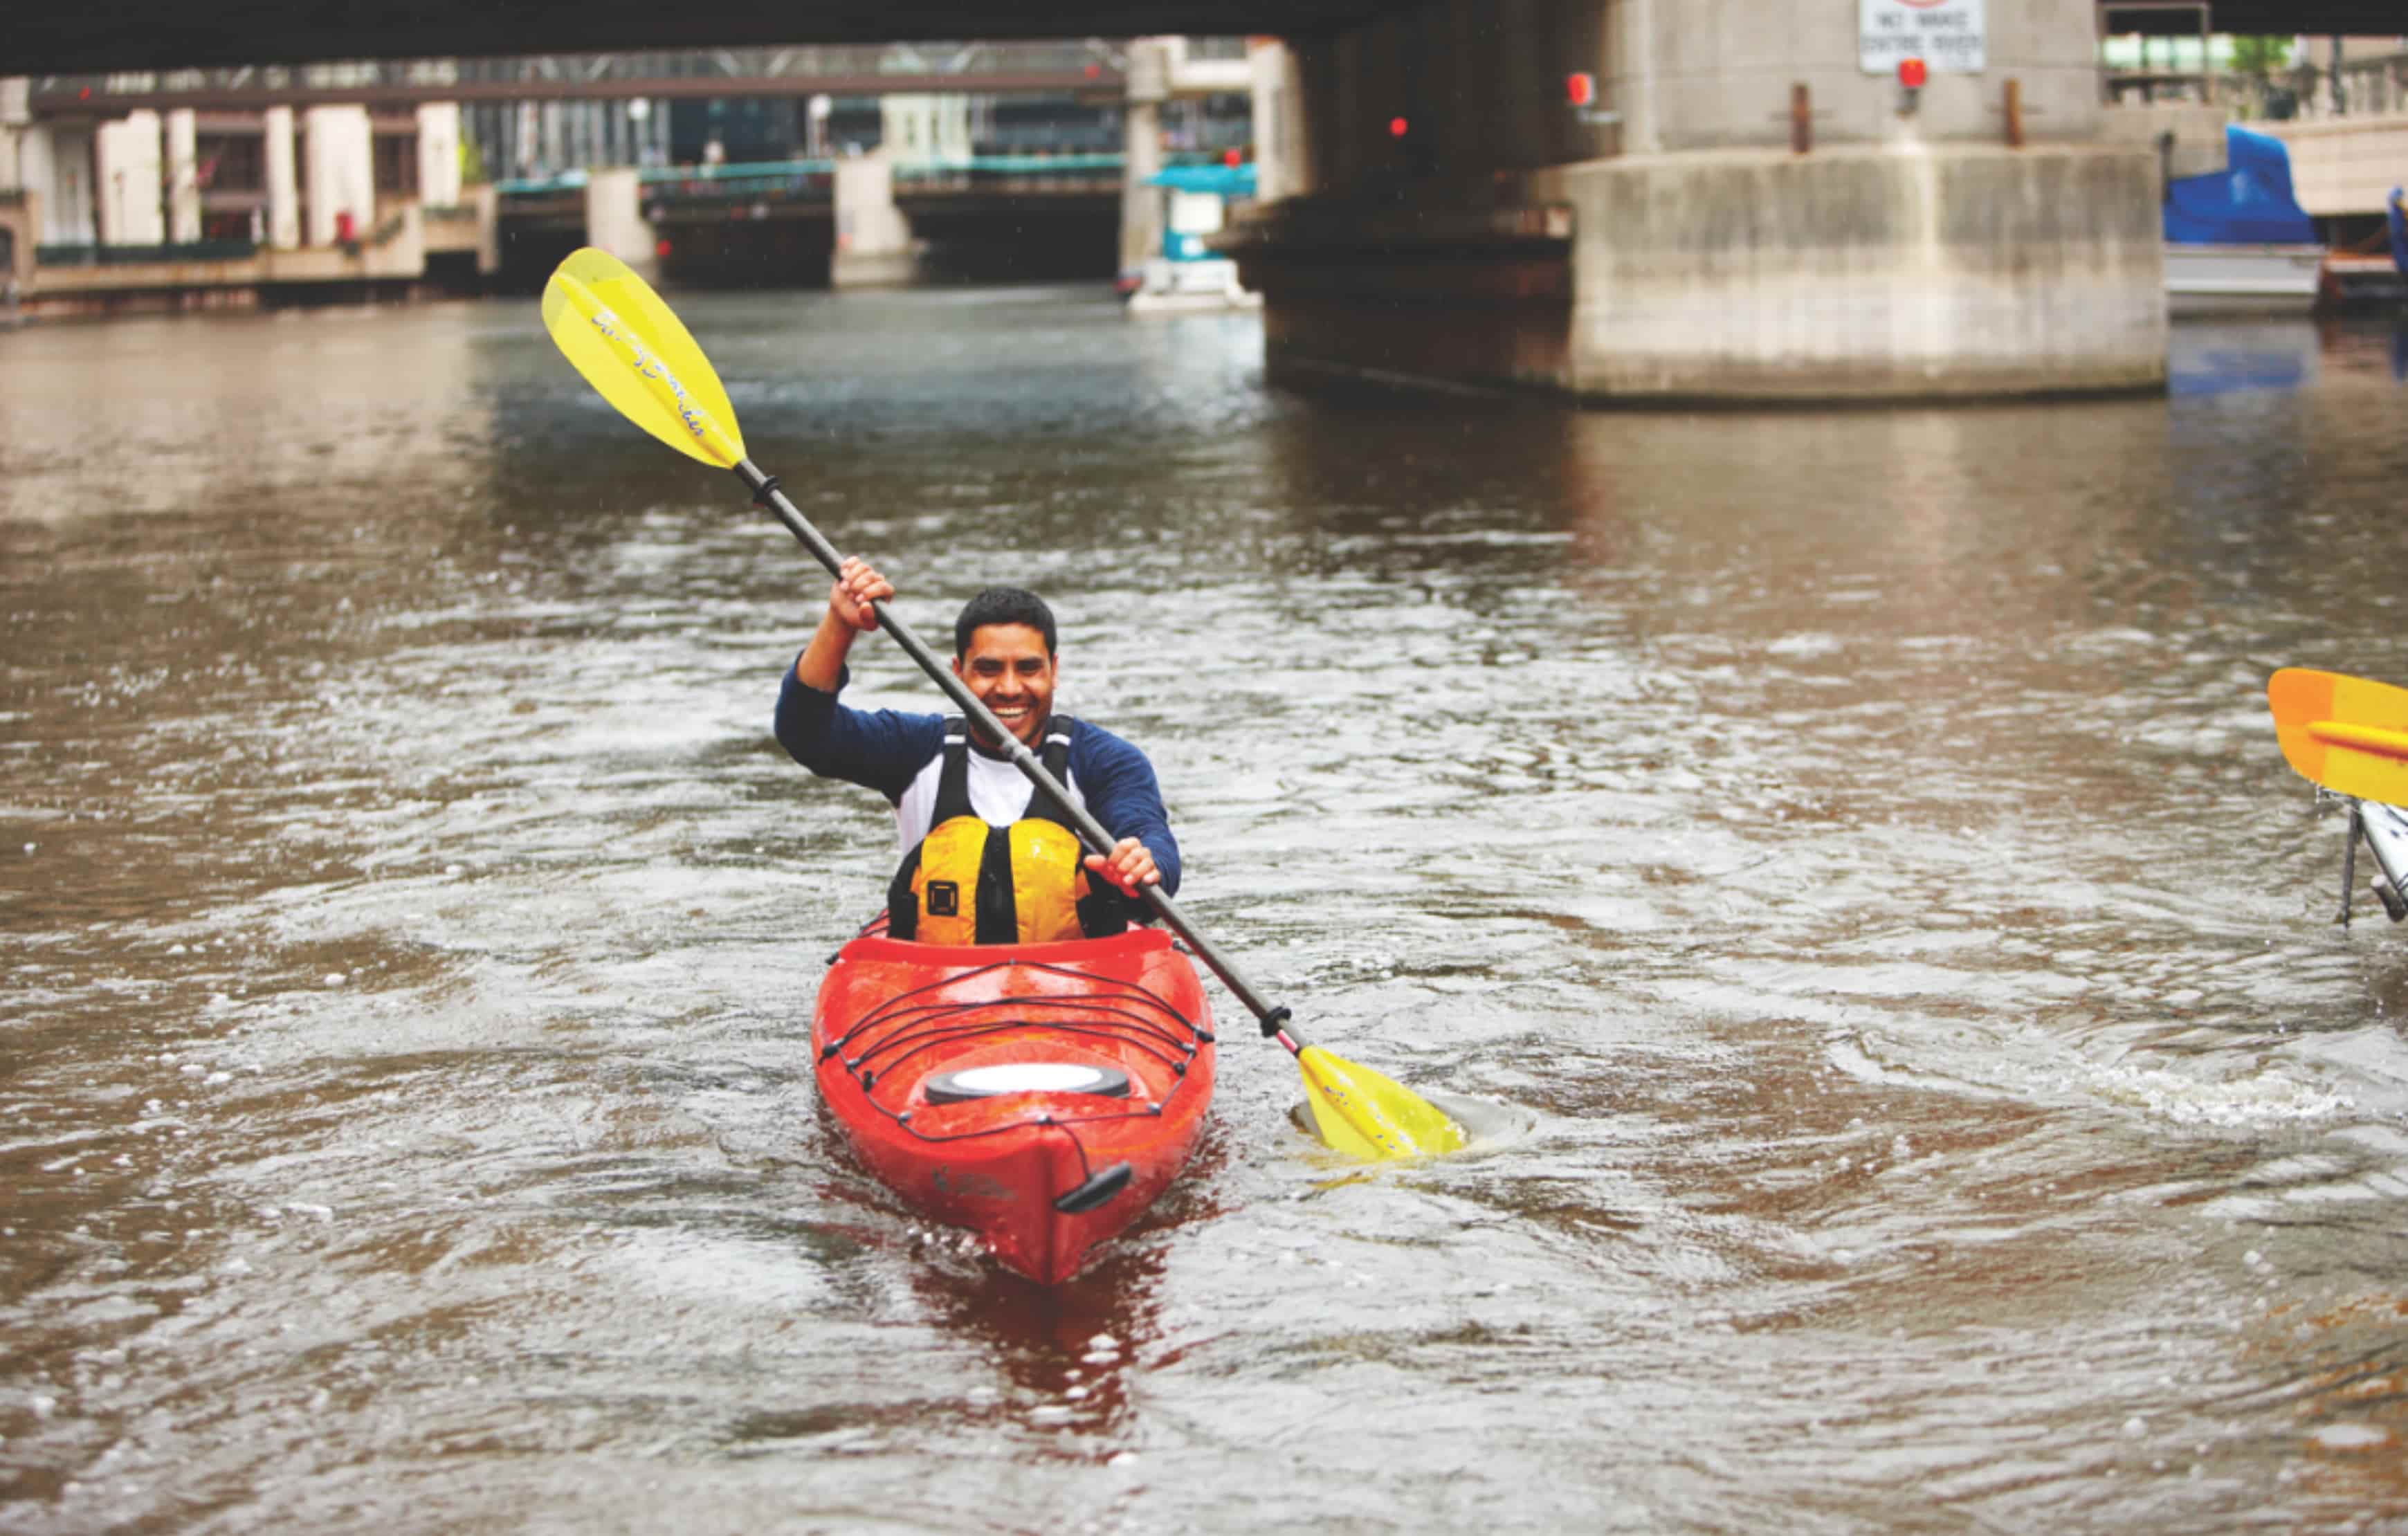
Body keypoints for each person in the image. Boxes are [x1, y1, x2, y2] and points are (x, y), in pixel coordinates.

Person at [774, 557, 1178, 945]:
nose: (1008, 688)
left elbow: (1152, 841)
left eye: (1028, 668)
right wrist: (840, 626)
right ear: (957, 673)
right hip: (936, 982)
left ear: (1054, 671)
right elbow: (806, 733)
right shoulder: (917, 749)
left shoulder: (1105, 760)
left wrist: (1143, 863)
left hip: (1082, 978)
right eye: (987, 669)